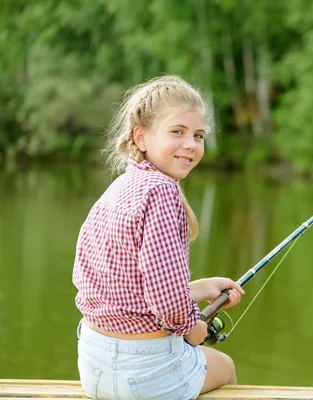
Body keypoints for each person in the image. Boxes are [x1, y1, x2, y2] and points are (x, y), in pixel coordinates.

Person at [72, 75, 245, 400]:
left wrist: (200, 288)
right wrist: (194, 329)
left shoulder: (120, 186)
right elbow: (169, 304)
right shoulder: (162, 194)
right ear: (141, 136)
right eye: (177, 132)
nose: (191, 144)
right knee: (225, 366)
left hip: (93, 365)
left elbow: (121, 288)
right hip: (143, 374)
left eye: (198, 135)